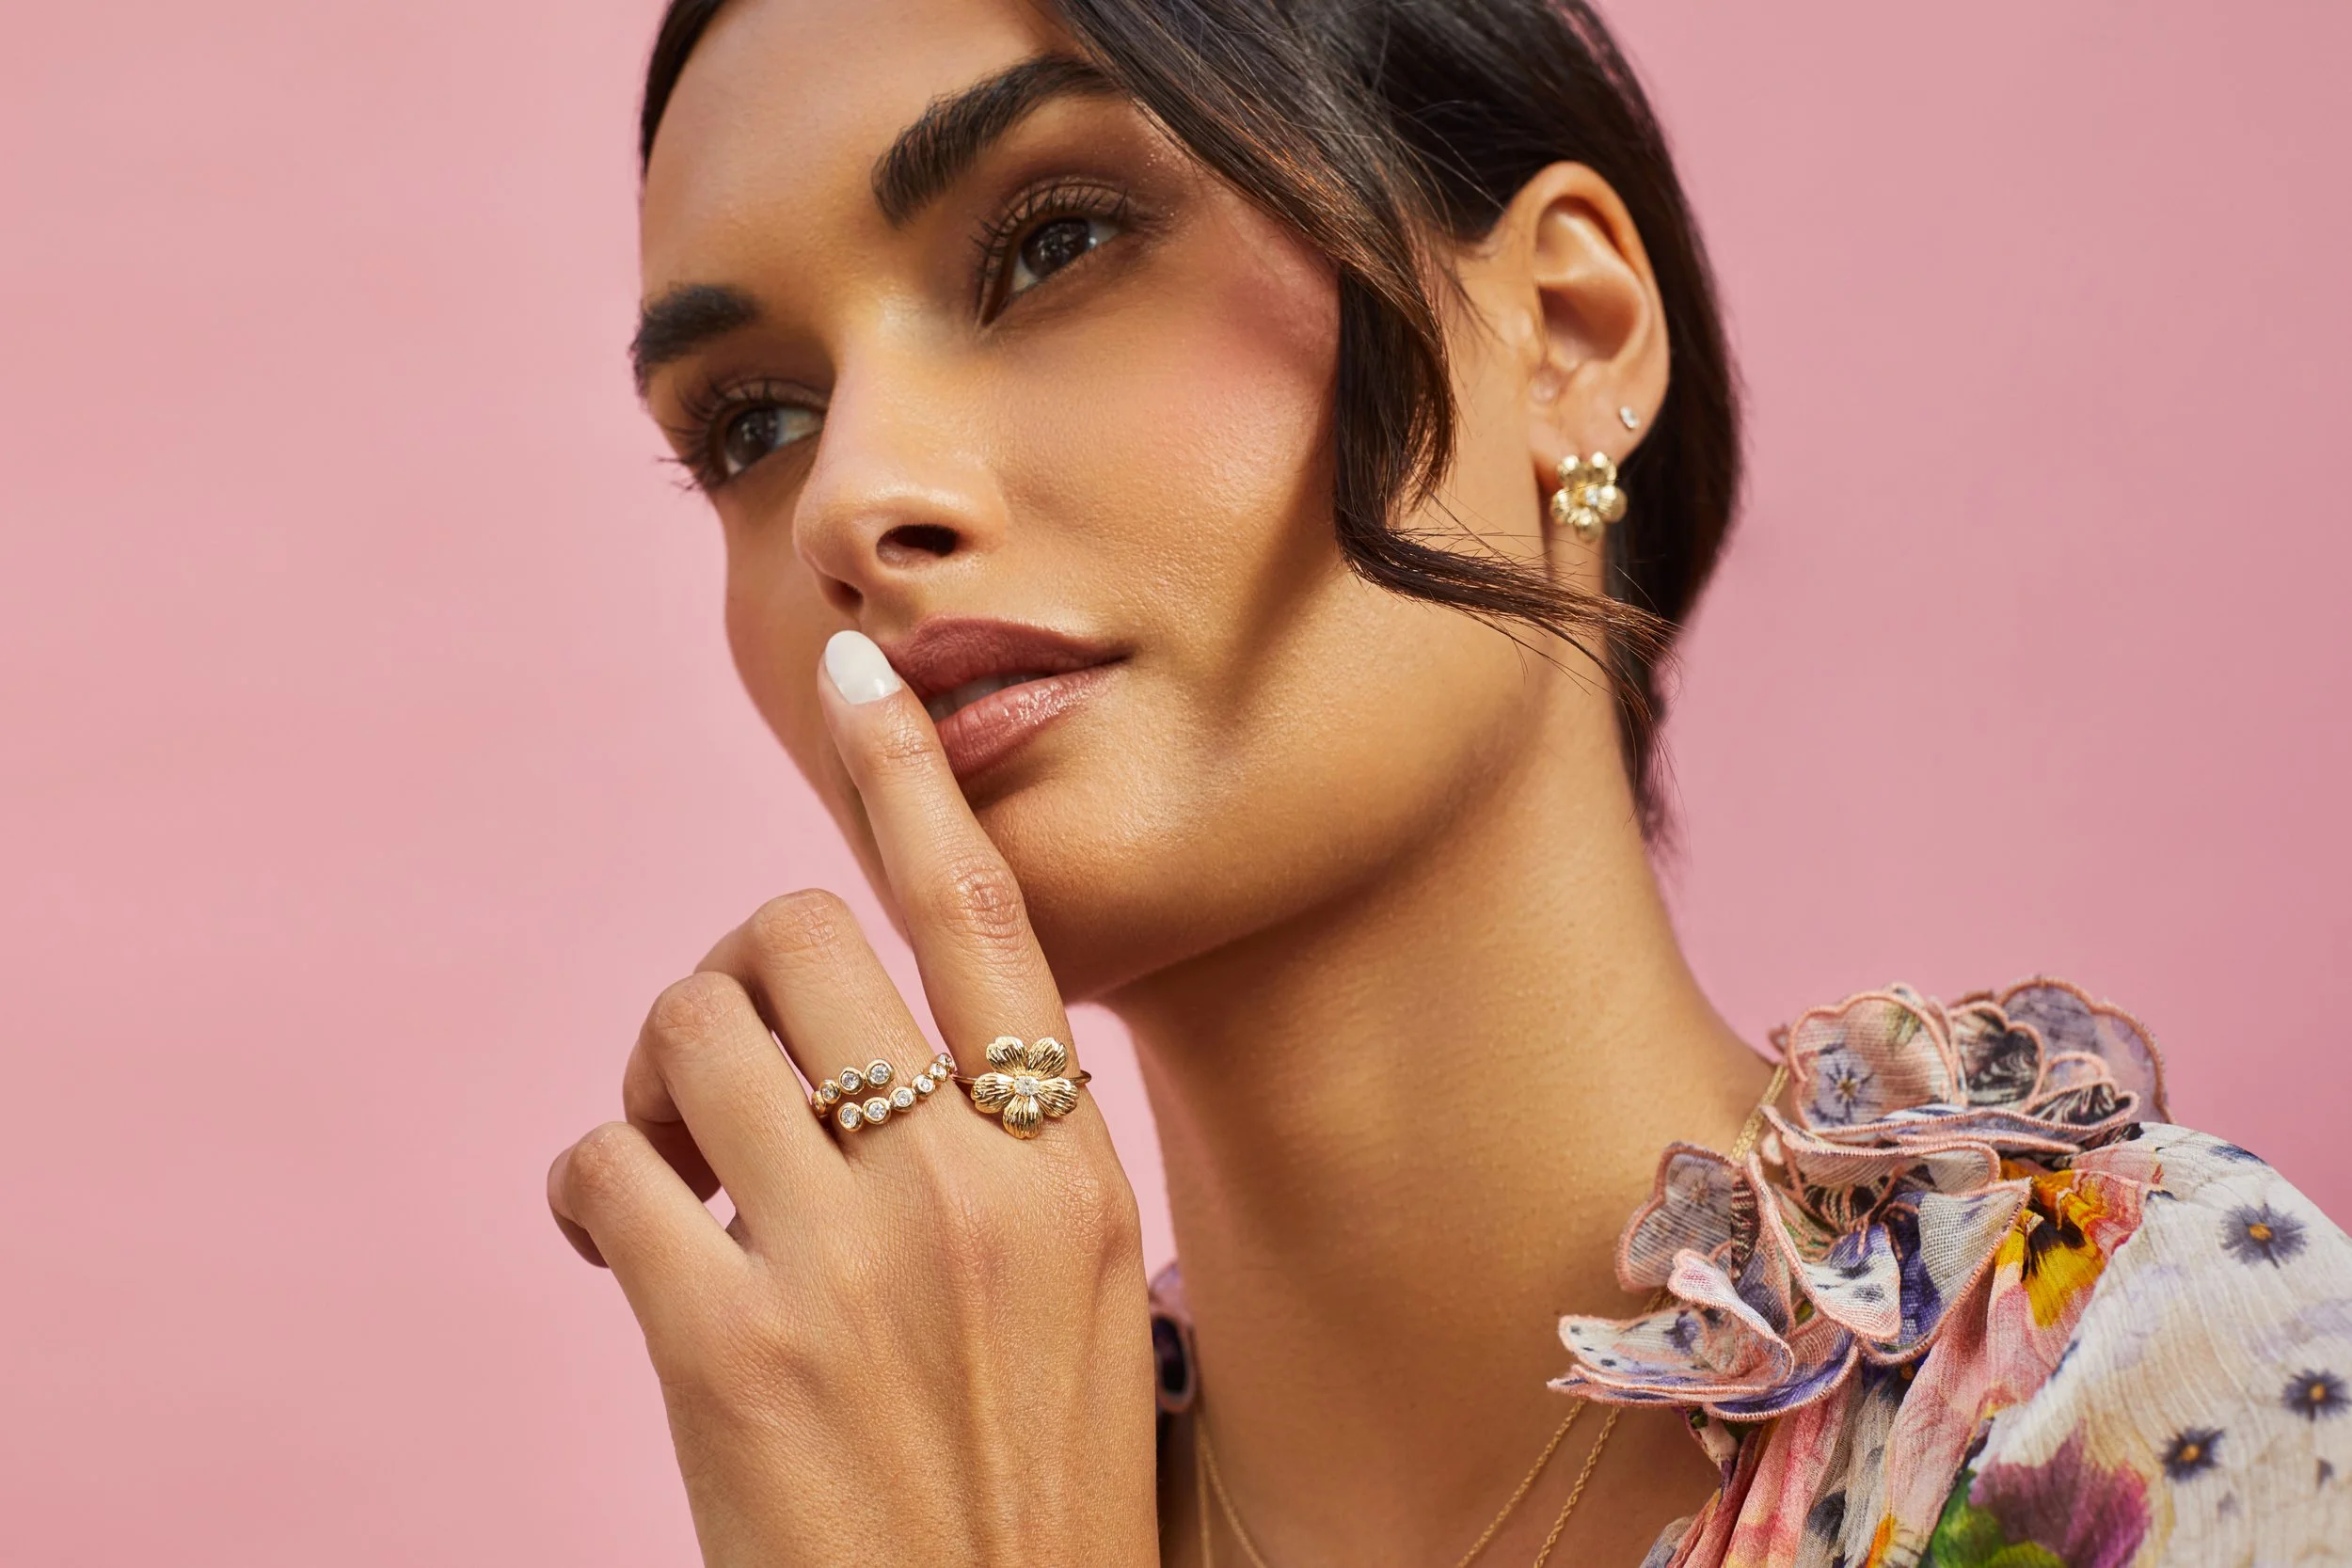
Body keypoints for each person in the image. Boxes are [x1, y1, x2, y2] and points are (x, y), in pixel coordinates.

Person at [544, 0, 2352, 1561]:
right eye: (752, 425)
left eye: (1053, 244)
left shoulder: (2139, 1380)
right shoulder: (906, 1490)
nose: (851, 500)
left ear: (1564, 331)